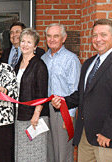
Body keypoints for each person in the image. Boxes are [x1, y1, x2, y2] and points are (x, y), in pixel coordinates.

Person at [52, 19, 112, 162]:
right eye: (95, 35)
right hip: (86, 137)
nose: (98, 39)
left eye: (103, 35)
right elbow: (83, 94)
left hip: (109, 139)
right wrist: (64, 101)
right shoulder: (89, 64)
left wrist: (108, 132)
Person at [41, 23, 81, 162]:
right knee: (49, 151)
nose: (52, 39)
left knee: (63, 152)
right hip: (46, 110)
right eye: (49, 36)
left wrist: (69, 115)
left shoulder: (71, 59)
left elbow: (75, 89)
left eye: (56, 36)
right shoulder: (43, 59)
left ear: (64, 38)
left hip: (63, 111)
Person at [14, 28, 49, 161]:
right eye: (23, 41)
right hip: (19, 115)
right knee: (22, 154)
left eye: (29, 42)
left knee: (34, 154)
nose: (25, 44)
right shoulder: (18, 65)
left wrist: (36, 114)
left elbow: (42, 93)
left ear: (35, 46)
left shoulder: (39, 65)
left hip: (34, 119)